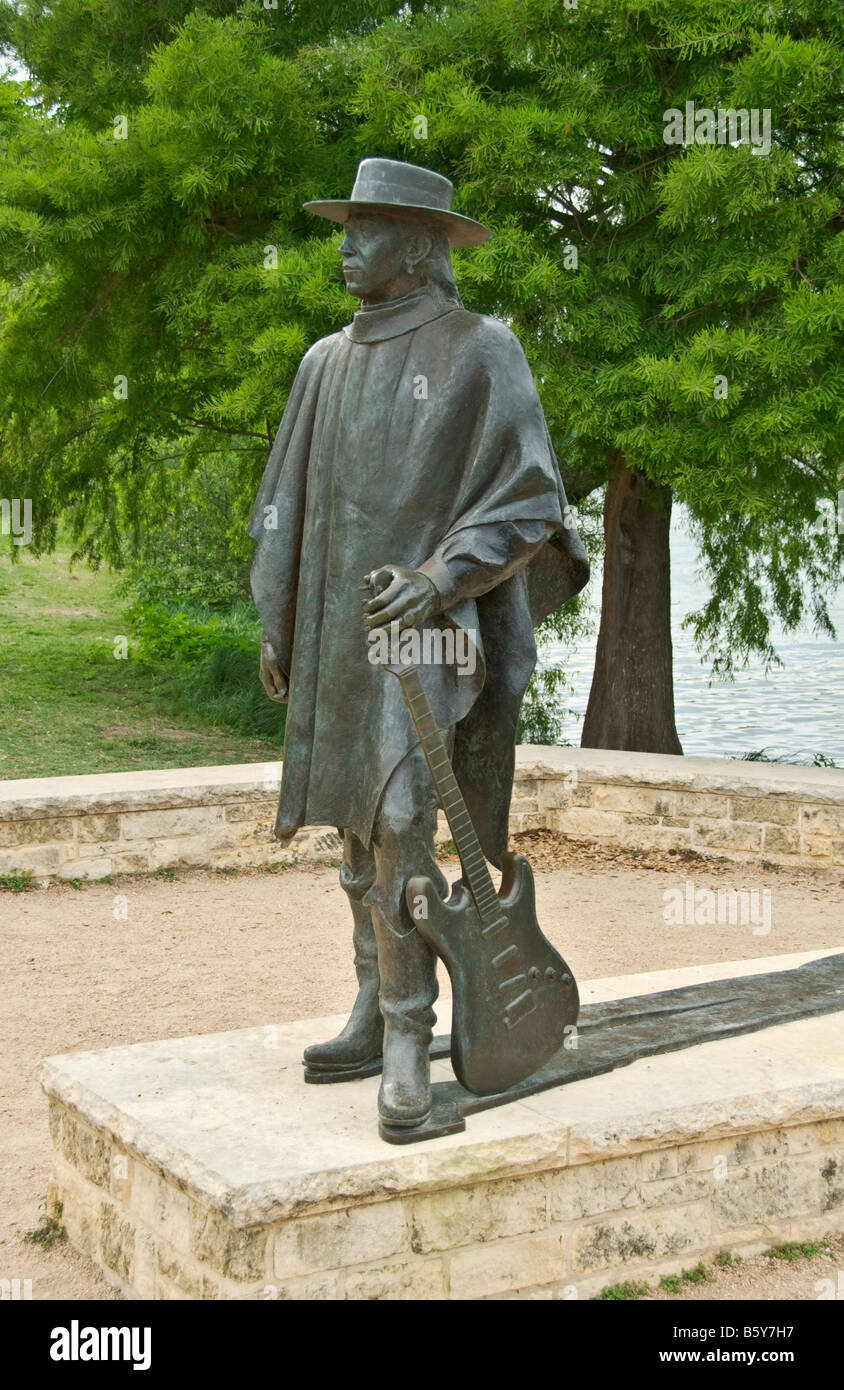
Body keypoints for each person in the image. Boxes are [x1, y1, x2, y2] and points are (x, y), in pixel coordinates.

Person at [249, 158, 588, 1134]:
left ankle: (409, 1033)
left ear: (420, 246)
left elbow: (530, 498)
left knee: (403, 814)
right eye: (345, 227)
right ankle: (371, 1000)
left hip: (443, 637)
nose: (346, 245)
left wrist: (440, 577)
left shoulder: (484, 350)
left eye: (367, 229)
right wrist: (282, 621)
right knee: (356, 824)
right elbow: (284, 505)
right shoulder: (324, 362)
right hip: (341, 637)